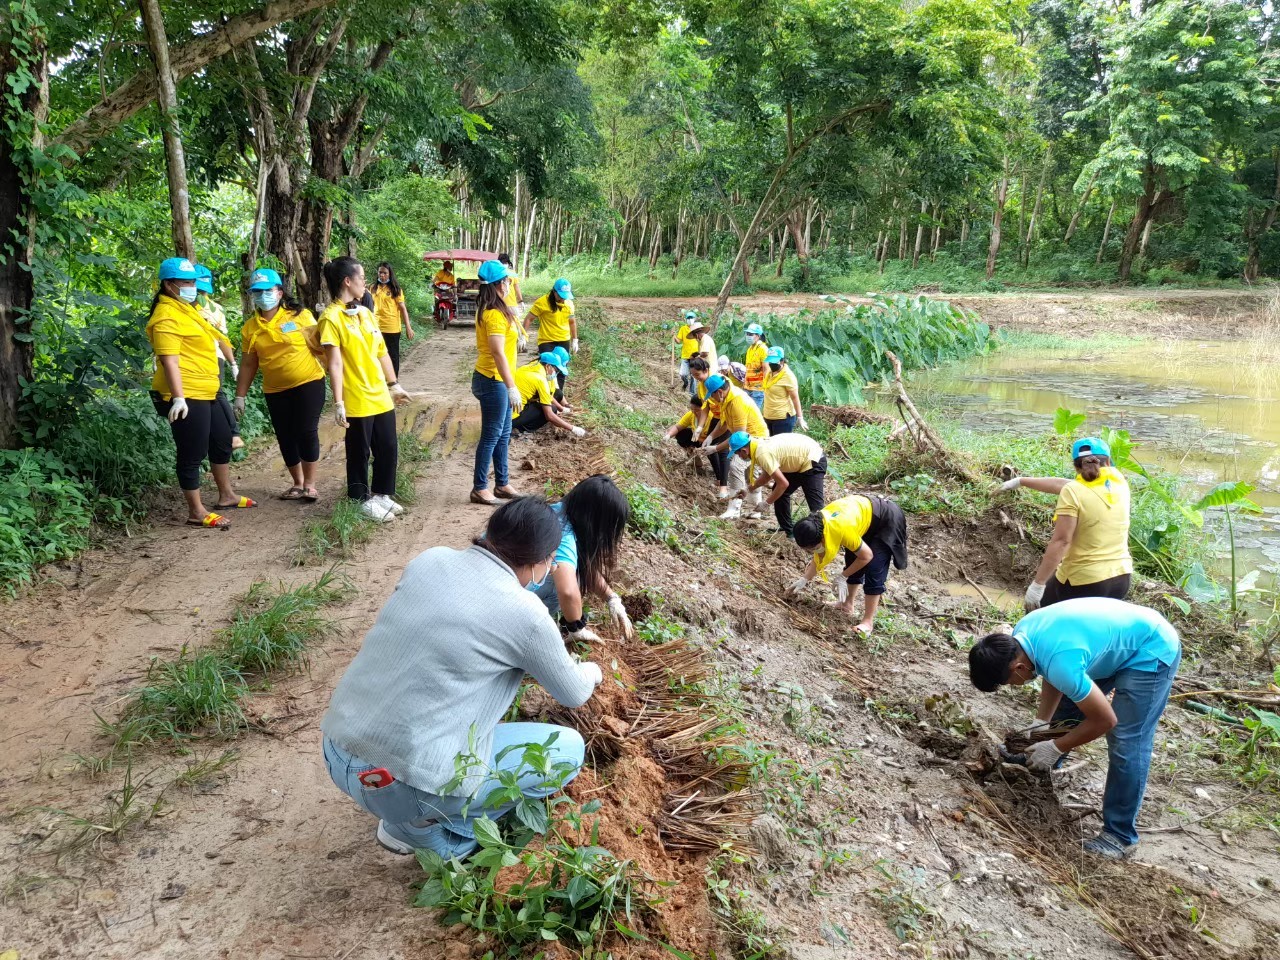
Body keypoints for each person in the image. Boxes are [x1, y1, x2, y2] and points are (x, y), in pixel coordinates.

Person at [321, 496, 604, 858]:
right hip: (401, 787)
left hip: (336, 749)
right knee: (567, 751)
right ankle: (429, 830)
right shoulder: (527, 614)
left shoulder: (431, 558)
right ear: (541, 562)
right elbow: (573, 692)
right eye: (550, 563)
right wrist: (592, 671)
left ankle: (409, 815)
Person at [967, 597, 1182, 860]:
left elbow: (1105, 721)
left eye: (1008, 682)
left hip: (1150, 649)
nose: (1011, 686)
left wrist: (1056, 746)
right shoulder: (1022, 637)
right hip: (1113, 644)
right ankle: (1038, 766)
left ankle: (1120, 836)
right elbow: (1049, 670)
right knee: (1069, 709)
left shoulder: (1061, 662)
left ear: (1018, 667)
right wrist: (1040, 725)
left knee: (1127, 740)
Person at [146, 257, 254, 529]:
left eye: (193, 281)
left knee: (221, 440)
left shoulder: (188, 310)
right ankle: (196, 511)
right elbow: (169, 359)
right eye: (186, 282)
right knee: (191, 452)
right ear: (169, 285)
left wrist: (231, 365)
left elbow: (215, 338)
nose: (192, 286)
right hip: (187, 394)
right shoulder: (166, 316)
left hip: (209, 389)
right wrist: (178, 397)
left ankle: (226, 495)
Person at [318, 256, 411, 522]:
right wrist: (338, 402)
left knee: (388, 446)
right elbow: (334, 363)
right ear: (348, 281)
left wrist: (394, 385)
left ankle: (382, 494)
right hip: (355, 394)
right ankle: (359, 499)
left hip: (379, 393)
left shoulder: (365, 313)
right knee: (359, 450)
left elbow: (382, 352)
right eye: (361, 279)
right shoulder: (330, 318)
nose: (365, 284)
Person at [998, 436, 1132, 612]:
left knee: (1039, 616)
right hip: (1121, 579)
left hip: (1085, 581)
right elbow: (1064, 484)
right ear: (1107, 460)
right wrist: (1020, 481)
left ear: (1076, 466)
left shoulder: (1074, 491)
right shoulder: (1120, 482)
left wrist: (1038, 585)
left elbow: (1062, 541)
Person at [234, 268, 325, 502]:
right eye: (257, 292)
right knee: (285, 436)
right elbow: (248, 364)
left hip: (309, 383)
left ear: (280, 292)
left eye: (267, 291)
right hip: (275, 390)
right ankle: (297, 483)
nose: (262, 296)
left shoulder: (300, 316)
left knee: (306, 431)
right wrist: (240, 396)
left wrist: (340, 377)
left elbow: (320, 347)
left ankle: (310, 485)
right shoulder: (250, 328)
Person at [529, 475, 634, 643]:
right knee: (563, 583)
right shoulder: (563, 534)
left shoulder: (558, 511)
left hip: (483, 578)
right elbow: (568, 591)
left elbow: (585, 565)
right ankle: (531, 635)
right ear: (595, 520)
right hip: (498, 601)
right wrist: (577, 628)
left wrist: (611, 598)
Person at [788, 494, 908, 635]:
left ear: (821, 537)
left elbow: (866, 556)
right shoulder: (818, 524)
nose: (811, 551)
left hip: (886, 519)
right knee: (852, 559)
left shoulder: (839, 528)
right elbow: (818, 556)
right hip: (864, 519)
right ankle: (847, 605)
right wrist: (804, 579)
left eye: (812, 548)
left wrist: (842, 576)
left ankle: (868, 622)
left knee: (875, 568)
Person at [471, 258, 523, 506]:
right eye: (507, 280)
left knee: (504, 433)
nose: (510, 283)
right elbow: (497, 352)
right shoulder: (493, 315)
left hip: (499, 380)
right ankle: (480, 487)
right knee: (492, 435)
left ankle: (502, 483)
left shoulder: (500, 309)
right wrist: (511, 386)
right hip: (492, 380)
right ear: (499, 284)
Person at [731, 431, 827, 539]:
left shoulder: (761, 453)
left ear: (744, 450)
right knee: (779, 492)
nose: (738, 456)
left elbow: (783, 484)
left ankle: (824, 537)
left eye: (737, 453)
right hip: (800, 460)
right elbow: (767, 475)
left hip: (813, 460)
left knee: (816, 508)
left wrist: (766, 503)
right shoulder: (756, 445)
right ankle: (788, 530)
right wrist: (748, 489)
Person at [697, 375, 769, 518]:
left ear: (719, 392)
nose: (713, 399)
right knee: (750, 472)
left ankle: (734, 509)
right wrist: (711, 436)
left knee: (736, 467)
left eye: (712, 395)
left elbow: (739, 435)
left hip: (754, 438)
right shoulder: (727, 399)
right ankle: (756, 510)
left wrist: (716, 448)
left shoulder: (737, 401)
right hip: (746, 437)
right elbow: (723, 423)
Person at [194, 264, 244, 452]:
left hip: (213, 357)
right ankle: (229, 434)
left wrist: (233, 363)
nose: (201, 295)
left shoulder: (215, 309)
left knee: (216, 393)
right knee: (213, 395)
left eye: (203, 291)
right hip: (194, 358)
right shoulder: (183, 308)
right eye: (198, 290)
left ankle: (233, 433)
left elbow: (222, 339)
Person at [512, 352, 586, 438]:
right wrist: (573, 428)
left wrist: (562, 409)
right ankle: (518, 429)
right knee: (551, 409)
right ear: (548, 366)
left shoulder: (528, 367)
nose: (556, 374)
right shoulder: (541, 380)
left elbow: (548, 395)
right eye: (556, 370)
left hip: (502, 413)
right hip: (511, 419)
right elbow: (549, 416)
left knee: (548, 403)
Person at [524, 278, 577, 388]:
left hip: (564, 340)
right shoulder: (542, 302)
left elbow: (572, 322)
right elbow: (529, 319)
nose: (563, 299)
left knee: (561, 370)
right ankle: (545, 397)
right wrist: (523, 336)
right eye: (561, 295)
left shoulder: (569, 304)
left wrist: (575, 340)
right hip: (547, 341)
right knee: (548, 371)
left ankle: (558, 397)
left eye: (565, 296)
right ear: (554, 292)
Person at [371, 262, 414, 376]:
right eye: (380, 272)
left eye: (385, 273)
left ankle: (394, 381)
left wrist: (408, 328)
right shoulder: (373, 288)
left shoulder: (396, 289)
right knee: (377, 355)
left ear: (390, 274)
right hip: (376, 328)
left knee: (392, 355)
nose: (382, 275)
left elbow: (403, 309)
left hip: (392, 328)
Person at [761, 347, 808, 435]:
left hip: (782, 418)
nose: (771, 364)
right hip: (768, 415)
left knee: (779, 447)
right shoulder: (769, 373)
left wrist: (800, 417)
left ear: (782, 361)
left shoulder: (788, 376)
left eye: (774, 362)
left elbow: (795, 398)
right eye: (770, 362)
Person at [673, 309, 700, 392]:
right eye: (688, 318)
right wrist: (673, 336)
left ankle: (692, 393)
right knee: (683, 374)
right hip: (685, 355)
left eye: (691, 318)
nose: (690, 319)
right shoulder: (683, 329)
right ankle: (685, 383)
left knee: (693, 376)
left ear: (695, 319)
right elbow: (678, 341)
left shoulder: (697, 328)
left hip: (694, 356)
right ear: (686, 319)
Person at [743, 322, 768, 409]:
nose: (748, 336)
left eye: (751, 334)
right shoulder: (750, 349)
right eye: (747, 334)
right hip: (748, 387)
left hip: (758, 388)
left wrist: (765, 386)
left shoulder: (763, 349)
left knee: (754, 413)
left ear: (758, 336)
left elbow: (766, 369)